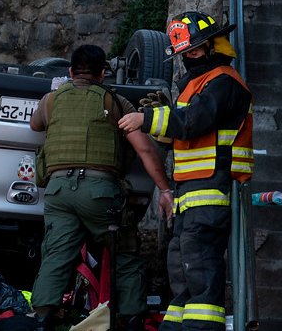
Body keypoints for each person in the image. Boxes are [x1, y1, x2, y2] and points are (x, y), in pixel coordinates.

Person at [118, 11, 254, 331]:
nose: (189, 58)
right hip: (190, 196)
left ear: (211, 47)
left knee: (201, 271)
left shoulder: (223, 81)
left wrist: (146, 120)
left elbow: (193, 122)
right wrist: (158, 118)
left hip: (210, 192)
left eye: (193, 51)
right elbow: (181, 132)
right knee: (182, 269)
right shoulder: (198, 85)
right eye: (185, 54)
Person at [30, 45, 174, 330]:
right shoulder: (118, 103)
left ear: (70, 71)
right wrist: (165, 190)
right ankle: (133, 318)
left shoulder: (51, 100)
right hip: (100, 192)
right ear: (103, 74)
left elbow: (36, 125)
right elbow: (144, 150)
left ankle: (43, 318)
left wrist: (56, 95)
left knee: (56, 255)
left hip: (58, 191)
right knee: (124, 253)